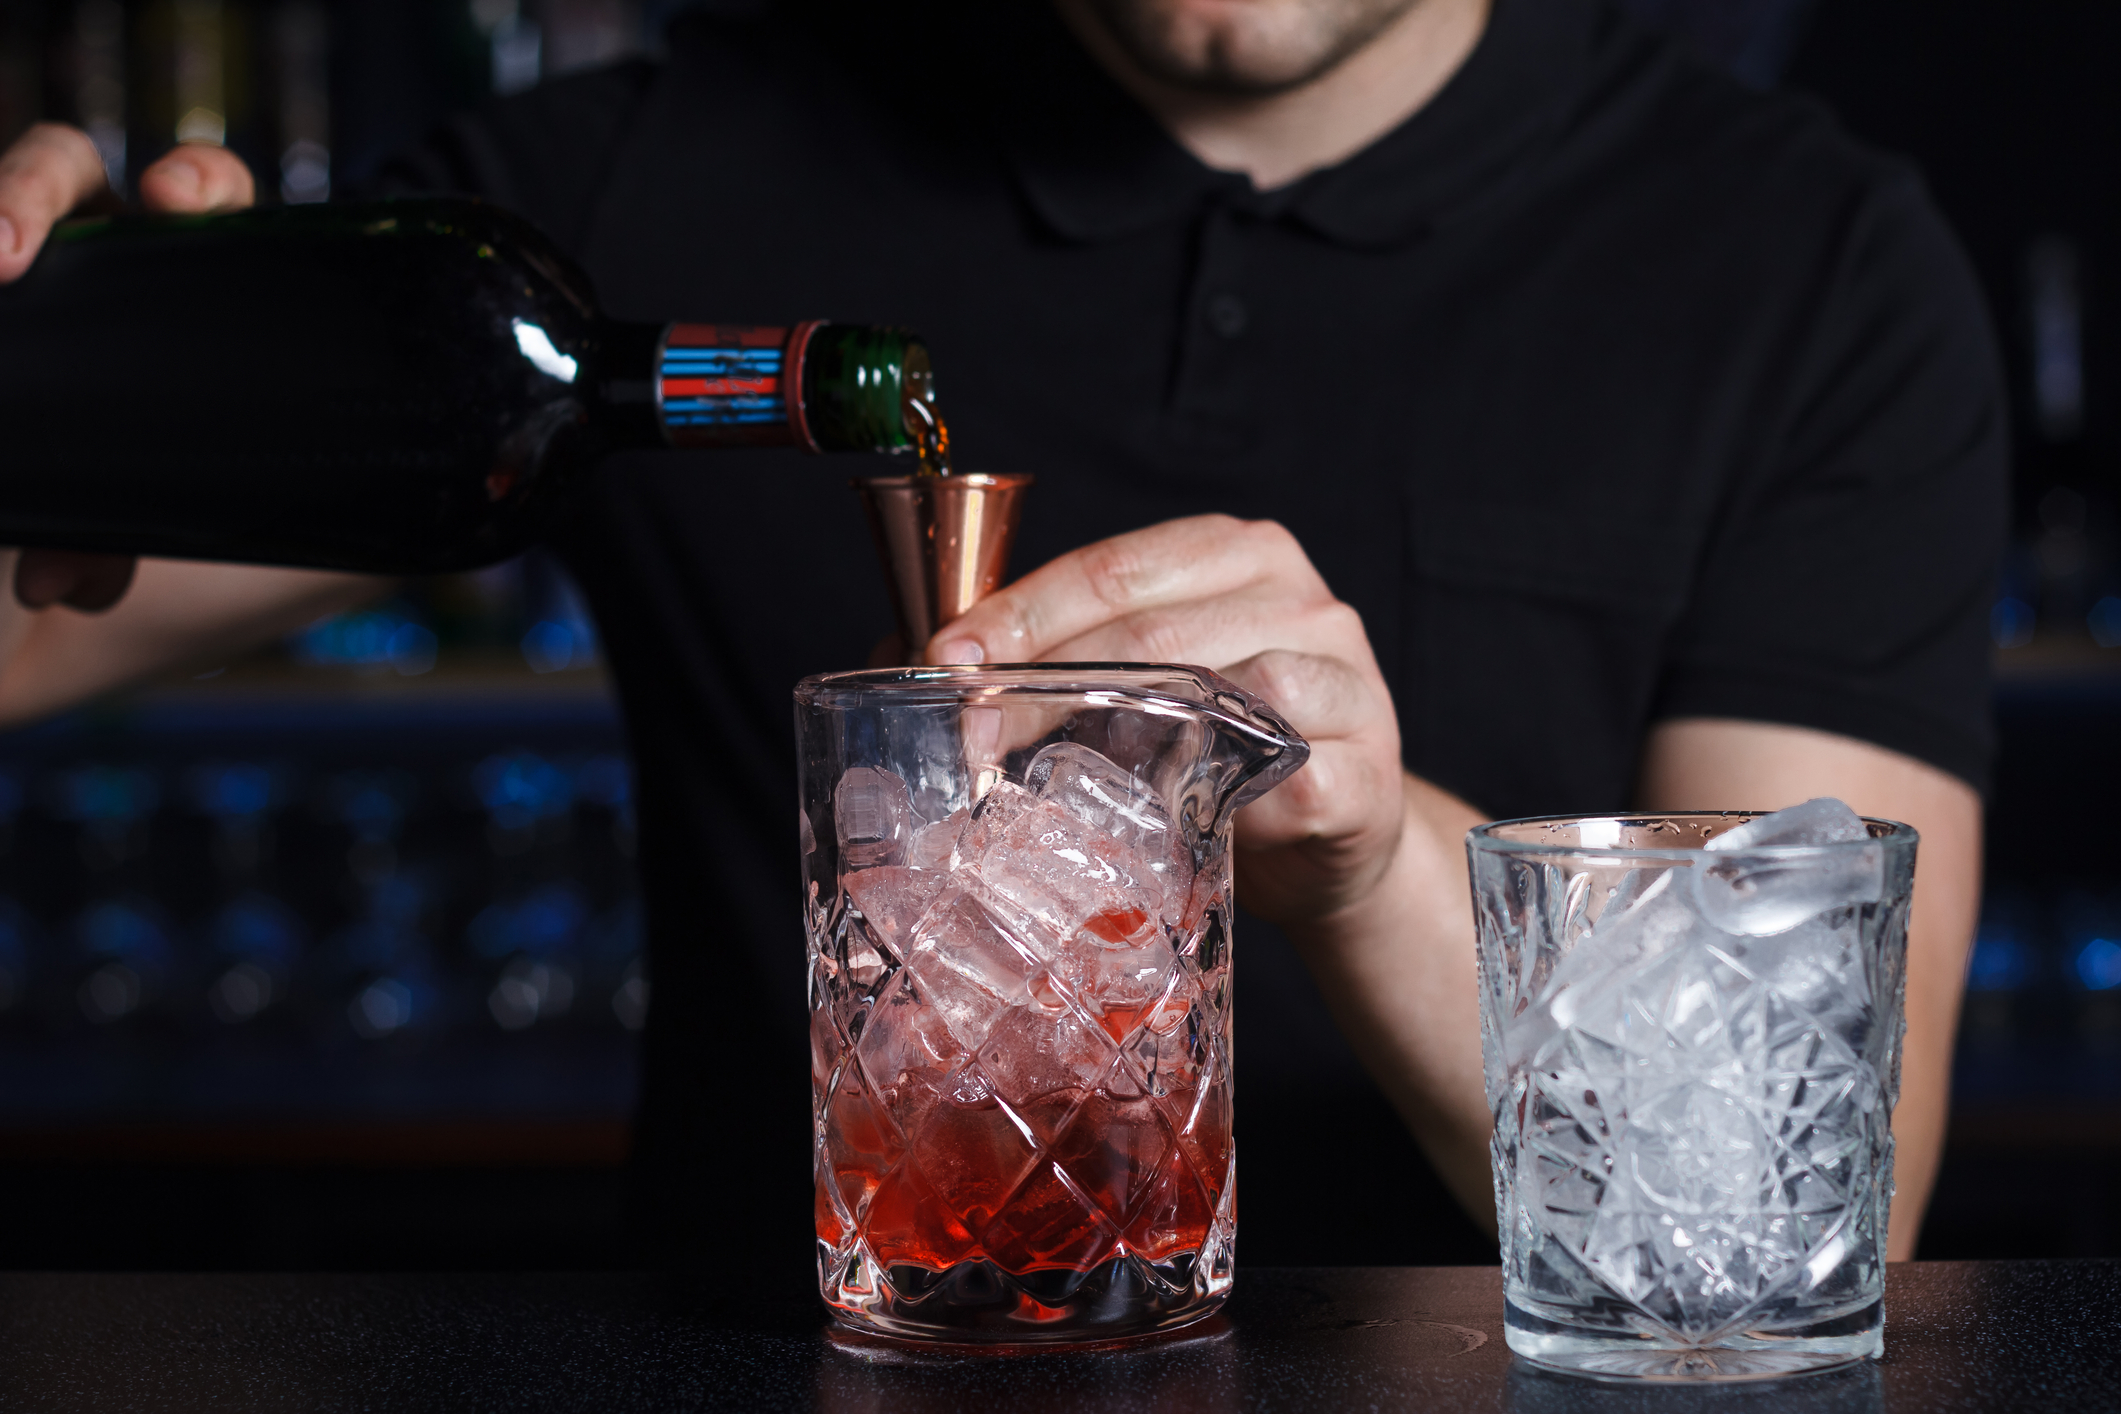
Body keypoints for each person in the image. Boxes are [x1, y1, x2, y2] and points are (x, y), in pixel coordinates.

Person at [0, 0, 2000, 1267]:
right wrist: (68, 353)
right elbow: (36, 629)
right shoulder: (643, 184)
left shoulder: (1804, 264)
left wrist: (1375, 860)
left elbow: (1792, 1206)